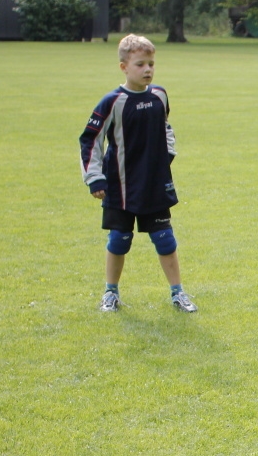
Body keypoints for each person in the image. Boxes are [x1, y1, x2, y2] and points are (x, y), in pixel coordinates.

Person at [79, 34, 197, 313]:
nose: (147, 70)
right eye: (140, 64)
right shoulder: (112, 102)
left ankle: (178, 293)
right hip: (120, 186)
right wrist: (94, 177)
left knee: (165, 239)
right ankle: (110, 293)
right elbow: (90, 140)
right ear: (124, 67)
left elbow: (166, 127)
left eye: (151, 64)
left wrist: (167, 155)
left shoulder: (159, 95)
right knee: (119, 240)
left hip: (154, 184)